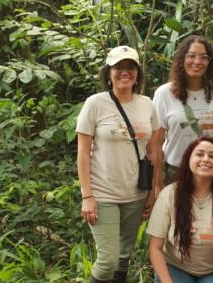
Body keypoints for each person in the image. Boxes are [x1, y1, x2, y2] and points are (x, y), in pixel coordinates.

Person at [76, 46, 160, 283]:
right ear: (108, 72)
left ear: (138, 73)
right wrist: (87, 196)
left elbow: (152, 151)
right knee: (107, 261)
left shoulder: (147, 104)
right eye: (118, 67)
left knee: (124, 256)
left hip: (135, 193)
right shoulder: (95, 104)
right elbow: (83, 152)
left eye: (131, 67)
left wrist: (151, 191)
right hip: (103, 194)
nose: (125, 72)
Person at [147, 136, 213, 283]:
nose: (206, 159)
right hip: (176, 268)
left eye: (212, 156)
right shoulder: (169, 194)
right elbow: (155, 247)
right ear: (188, 160)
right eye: (199, 154)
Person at [153, 35, 213, 186]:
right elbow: (156, 143)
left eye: (203, 57)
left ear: (209, 62)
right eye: (191, 56)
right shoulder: (164, 94)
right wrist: (157, 182)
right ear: (182, 59)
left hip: (211, 172)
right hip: (176, 172)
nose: (197, 62)